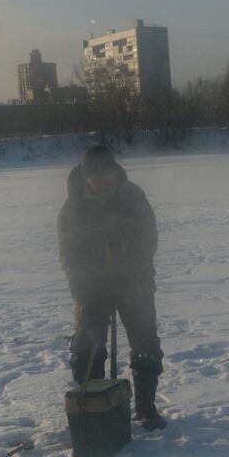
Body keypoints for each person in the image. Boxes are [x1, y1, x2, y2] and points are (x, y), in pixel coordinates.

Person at [58, 145, 167, 430]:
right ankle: (92, 406)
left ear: (116, 173)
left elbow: (148, 241)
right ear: (86, 179)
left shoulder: (134, 198)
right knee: (86, 346)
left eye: (109, 175)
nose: (105, 182)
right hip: (92, 286)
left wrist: (129, 275)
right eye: (97, 178)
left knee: (146, 345)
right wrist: (82, 288)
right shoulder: (72, 209)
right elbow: (69, 255)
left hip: (134, 282)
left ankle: (145, 408)